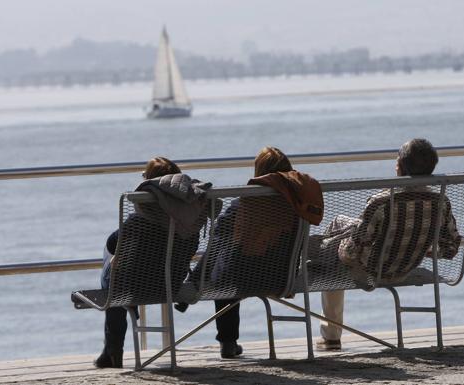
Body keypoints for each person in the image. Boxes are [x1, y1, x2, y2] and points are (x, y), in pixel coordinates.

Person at [317, 138, 461, 351]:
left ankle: (331, 337)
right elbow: (451, 248)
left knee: (332, 256)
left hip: (371, 271)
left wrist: (339, 248)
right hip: (406, 267)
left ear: (400, 167)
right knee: (344, 234)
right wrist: (424, 249)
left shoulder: (381, 202)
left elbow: (351, 251)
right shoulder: (440, 202)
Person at [187, 147, 324, 359]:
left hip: (239, 280)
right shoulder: (300, 205)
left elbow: (219, 235)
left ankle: (227, 340)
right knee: (226, 249)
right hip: (282, 277)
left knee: (222, 245)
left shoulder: (244, 204)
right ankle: (198, 282)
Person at [95, 156, 215, 368]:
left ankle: (113, 350)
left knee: (112, 264)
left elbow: (114, 243)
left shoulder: (139, 221)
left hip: (133, 285)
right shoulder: (193, 220)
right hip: (172, 284)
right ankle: (112, 345)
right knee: (121, 268)